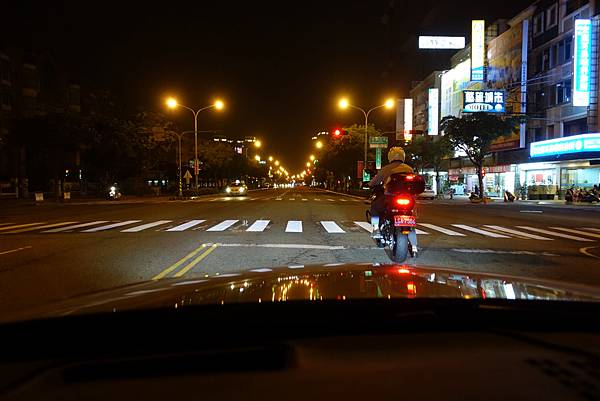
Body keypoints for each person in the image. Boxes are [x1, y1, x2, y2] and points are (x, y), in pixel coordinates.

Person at [368, 146, 418, 254]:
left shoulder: (386, 169)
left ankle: (376, 228)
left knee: (375, 206)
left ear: (390, 157)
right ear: (403, 156)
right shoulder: (409, 169)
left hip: (390, 199)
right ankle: (414, 246)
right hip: (407, 200)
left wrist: (370, 184)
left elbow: (374, 182)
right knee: (411, 214)